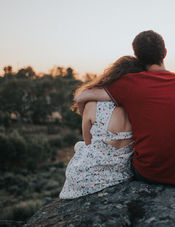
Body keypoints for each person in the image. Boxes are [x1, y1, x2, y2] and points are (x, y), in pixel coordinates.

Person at [74, 30, 175, 185]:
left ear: (137, 58)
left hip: (148, 174)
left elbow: (82, 96)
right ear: (165, 53)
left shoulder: (130, 84)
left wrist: (84, 115)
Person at [59, 56, 145, 199]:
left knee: (79, 145)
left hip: (84, 179)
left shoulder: (92, 104)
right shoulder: (141, 106)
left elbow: (88, 143)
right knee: (79, 146)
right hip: (120, 175)